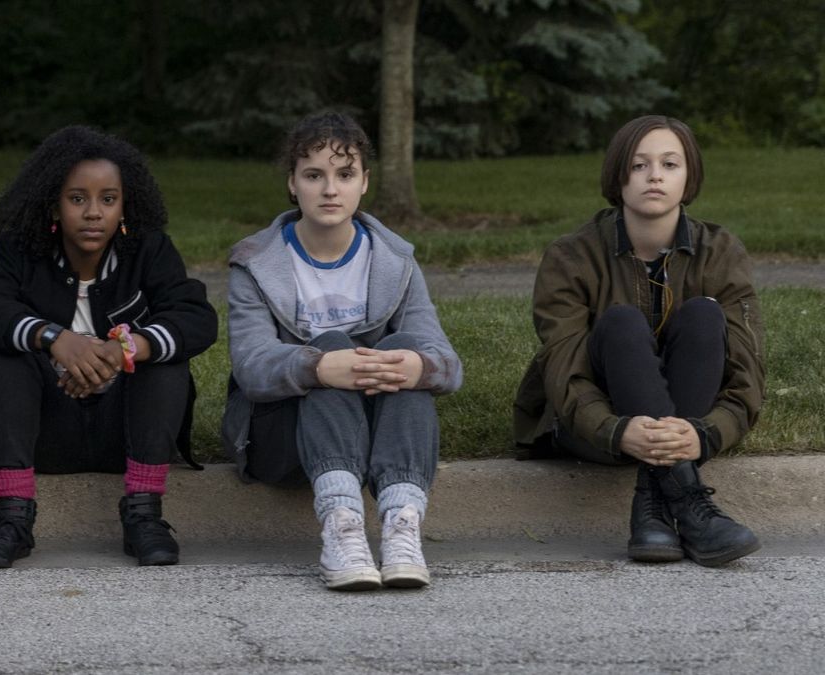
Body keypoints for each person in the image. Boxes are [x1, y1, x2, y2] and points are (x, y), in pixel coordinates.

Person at [222, 112, 463, 591]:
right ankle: (341, 527)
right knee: (329, 346)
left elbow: (447, 364)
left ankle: (401, 527)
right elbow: (251, 367)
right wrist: (321, 366)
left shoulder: (395, 260)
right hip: (282, 441)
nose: (330, 189)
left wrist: (418, 366)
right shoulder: (255, 262)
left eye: (345, 174)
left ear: (364, 183)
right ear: (293, 184)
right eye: (314, 175)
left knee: (404, 352)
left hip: (375, 437)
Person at [514, 115, 763, 567]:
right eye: (638, 165)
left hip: (691, 418)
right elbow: (562, 369)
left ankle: (652, 504)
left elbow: (748, 371)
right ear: (617, 176)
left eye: (670, 164)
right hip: (595, 428)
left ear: (689, 178)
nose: (654, 176)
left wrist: (703, 434)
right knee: (622, 323)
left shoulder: (722, 252)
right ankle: (691, 506)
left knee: (705, 315)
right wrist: (617, 430)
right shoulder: (570, 257)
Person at [0, 126, 217, 569]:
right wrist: (56, 339)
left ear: (125, 204)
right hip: (48, 431)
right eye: (77, 198)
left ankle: (144, 515)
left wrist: (127, 349)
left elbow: (197, 317)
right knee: (3, 355)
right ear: (54, 205)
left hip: (127, 431)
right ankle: (13, 517)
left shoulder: (149, 250)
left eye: (108, 198)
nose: (93, 212)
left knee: (164, 359)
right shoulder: (22, 251)